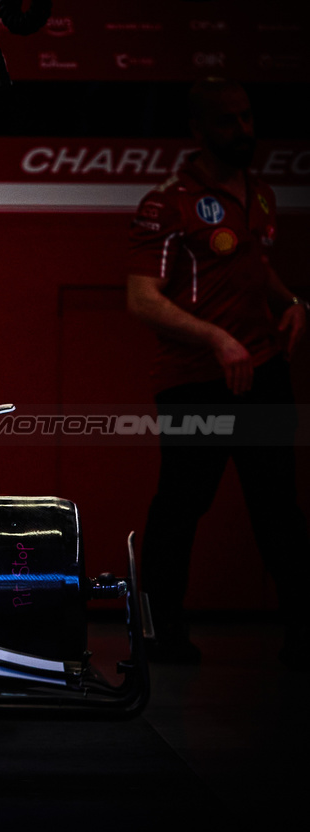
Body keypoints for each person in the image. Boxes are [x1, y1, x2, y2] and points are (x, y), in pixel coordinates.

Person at [127, 78, 307, 666]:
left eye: (249, 116)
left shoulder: (261, 194)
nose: (244, 130)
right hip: (198, 381)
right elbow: (142, 298)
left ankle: (301, 634)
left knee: (278, 505)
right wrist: (217, 339)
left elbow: (256, 269)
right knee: (182, 505)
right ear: (198, 131)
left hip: (265, 374)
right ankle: (159, 633)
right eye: (228, 121)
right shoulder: (168, 203)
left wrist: (293, 303)